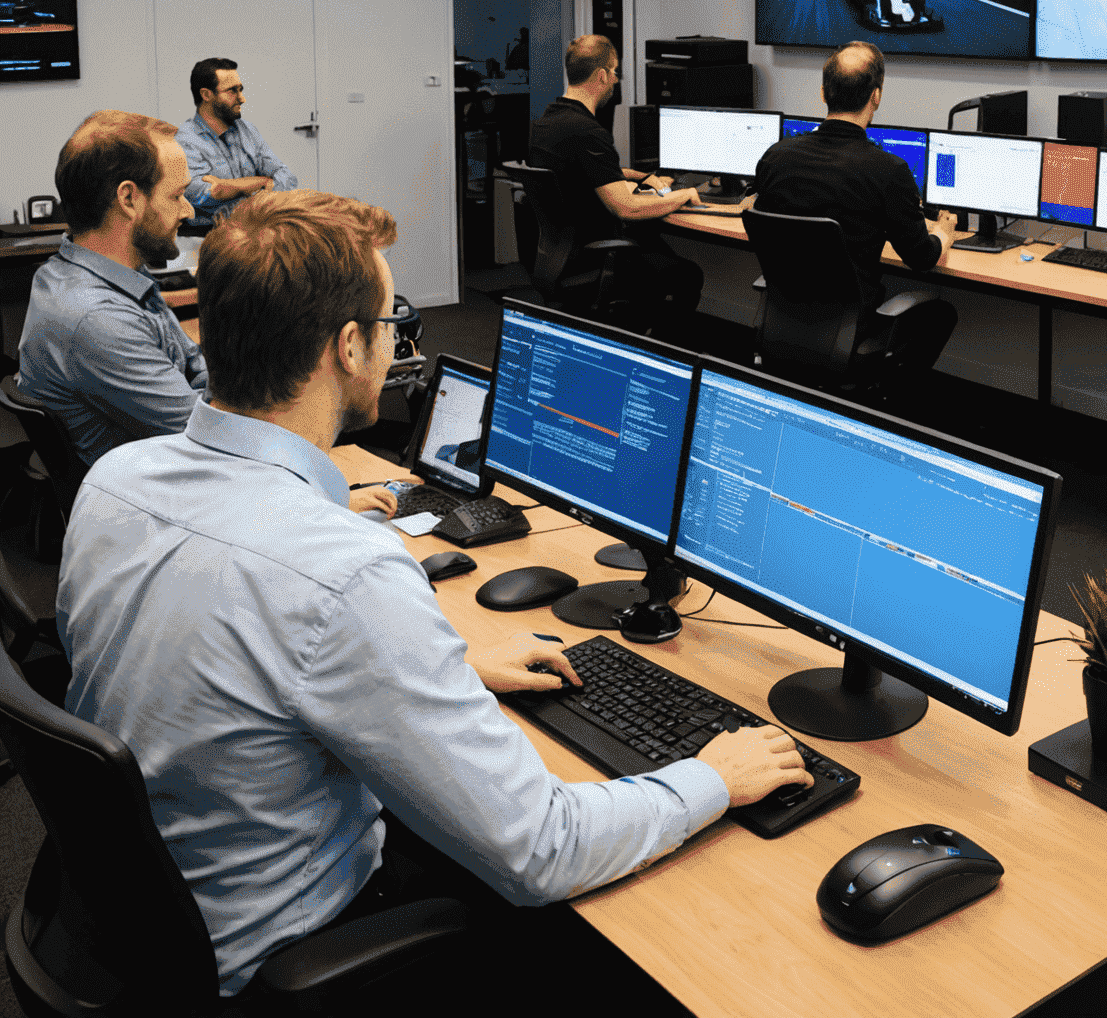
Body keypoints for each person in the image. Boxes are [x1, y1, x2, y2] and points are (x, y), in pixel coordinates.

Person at [55, 189, 812, 999]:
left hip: (141, 917)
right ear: (348, 347)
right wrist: (712, 778)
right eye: (390, 326)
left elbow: (226, 665)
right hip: (282, 952)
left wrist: (446, 673)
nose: (395, 345)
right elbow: (542, 852)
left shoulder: (115, 480)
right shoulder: (344, 572)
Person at [750, 41, 960, 381]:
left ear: (823, 93)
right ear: (876, 97)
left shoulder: (775, 157)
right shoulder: (888, 170)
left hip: (781, 327)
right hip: (849, 336)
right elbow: (921, 259)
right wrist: (943, 233)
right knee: (941, 313)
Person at [17, 110, 207, 467]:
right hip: (150, 499)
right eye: (177, 195)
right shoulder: (96, 318)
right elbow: (206, 436)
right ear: (129, 199)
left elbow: (193, 361)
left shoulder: (83, 272)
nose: (189, 210)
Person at [528, 34, 704, 332]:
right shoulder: (588, 132)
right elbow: (627, 208)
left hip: (560, 254)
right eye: (614, 72)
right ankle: (655, 351)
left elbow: (583, 171)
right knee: (687, 274)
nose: (615, 80)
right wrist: (682, 194)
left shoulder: (546, 123)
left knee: (658, 248)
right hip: (596, 256)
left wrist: (641, 177)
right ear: (601, 75)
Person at [176, 56, 298, 227]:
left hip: (256, 228)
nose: (242, 99)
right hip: (210, 234)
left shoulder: (247, 130)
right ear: (206, 94)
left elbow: (286, 177)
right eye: (232, 91)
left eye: (241, 90)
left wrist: (229, 188)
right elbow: (198, 195)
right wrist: (261, 182)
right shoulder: (186, 139)